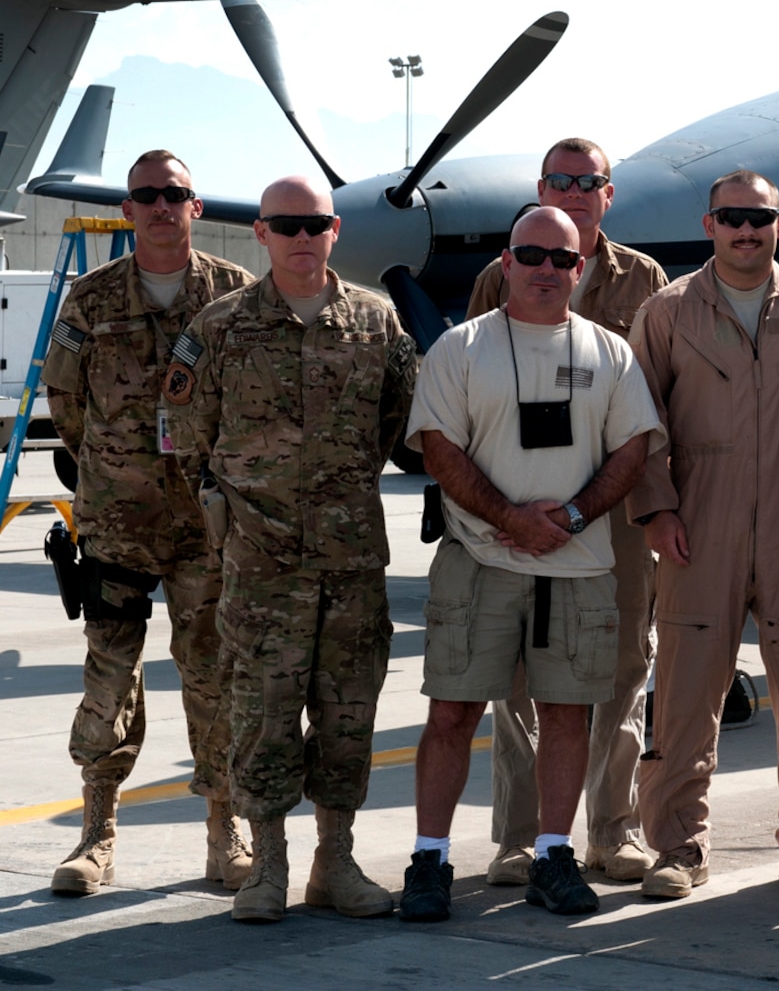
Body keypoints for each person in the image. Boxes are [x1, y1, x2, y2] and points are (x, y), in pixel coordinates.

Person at [401, 207, 664, 922]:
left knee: (568, 712)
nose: (547, 268)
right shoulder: (459, 349)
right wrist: (511, 517)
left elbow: (631, 449)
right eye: (532, 254)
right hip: (480, 560)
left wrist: (572, 516)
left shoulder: (610, 352)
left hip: (577, 565)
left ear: (580, 269)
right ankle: (430, 856)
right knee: (453, 709)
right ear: (507, 263)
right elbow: (439, 450)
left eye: (562, 258)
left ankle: (554, 852)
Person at [168, 176, 418, 924]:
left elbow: (394, 424)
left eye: (315, 225)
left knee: (348, 717)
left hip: (350, 564)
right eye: (287, 225)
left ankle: (334, 860)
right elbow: (183, 433)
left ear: (335, 230)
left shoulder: (376, 322)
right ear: (261, 233)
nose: (302, 237)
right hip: (261, 565)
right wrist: (237, 511)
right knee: (263, 715)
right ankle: (267, 866)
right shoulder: (220, 327)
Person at [626, 169, 779, 900]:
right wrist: (657, 507)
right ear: (709, 224)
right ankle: (677, 845)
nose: (746, 230)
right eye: (732, 216)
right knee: (683, 689)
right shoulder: (668, 311)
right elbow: (640, 418)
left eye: (759, 218)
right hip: (698, 519)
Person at [43, 151, 259, 897]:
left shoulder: (235, 297)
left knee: (215, 678)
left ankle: (223, 832)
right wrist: (113, 468)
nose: (163, 206)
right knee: (108, 677)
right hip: (118, 528)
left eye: (177, 194)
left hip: (207, 527)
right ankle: (96, 837)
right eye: (148, 195)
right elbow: (65, 405)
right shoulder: (89, 299)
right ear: (129, 209)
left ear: (197, 208)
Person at [464, 137, 669, 886]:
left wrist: (651, 505)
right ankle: (519, 838)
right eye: (560, 180)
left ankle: (613, 828)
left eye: (589, 182)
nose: (575, 191)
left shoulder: (641, 278)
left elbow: (651, 408)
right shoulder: (499, 273)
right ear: (541, 185)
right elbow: (474, 382)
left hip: (609, 508)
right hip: (517, 505)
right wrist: (495, 507)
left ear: (609, 194)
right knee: (516, 672)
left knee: (619, 665)